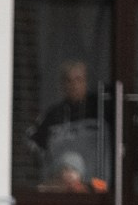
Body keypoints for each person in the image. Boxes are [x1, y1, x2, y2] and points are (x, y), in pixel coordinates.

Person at [29, 59, 108, 187]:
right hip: (62, 191)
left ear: (86, 83)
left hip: (94, 190)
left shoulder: (100, 112)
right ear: (62, 85)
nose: (74, 85)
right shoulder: (53, 115)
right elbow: (35, 143)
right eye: (68, 80)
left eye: (78, 79)